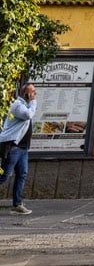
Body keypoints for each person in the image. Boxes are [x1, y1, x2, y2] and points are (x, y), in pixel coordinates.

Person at [0, 83, 37, 215]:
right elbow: (28, 115)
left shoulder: (26, 105)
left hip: (22, 148)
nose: (35, 94)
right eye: (33, 92)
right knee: (4, 175)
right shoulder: (17, 105)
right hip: (13, 147)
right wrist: (33, 102)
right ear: (25, 93)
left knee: (22, 174)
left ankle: (17, 204)